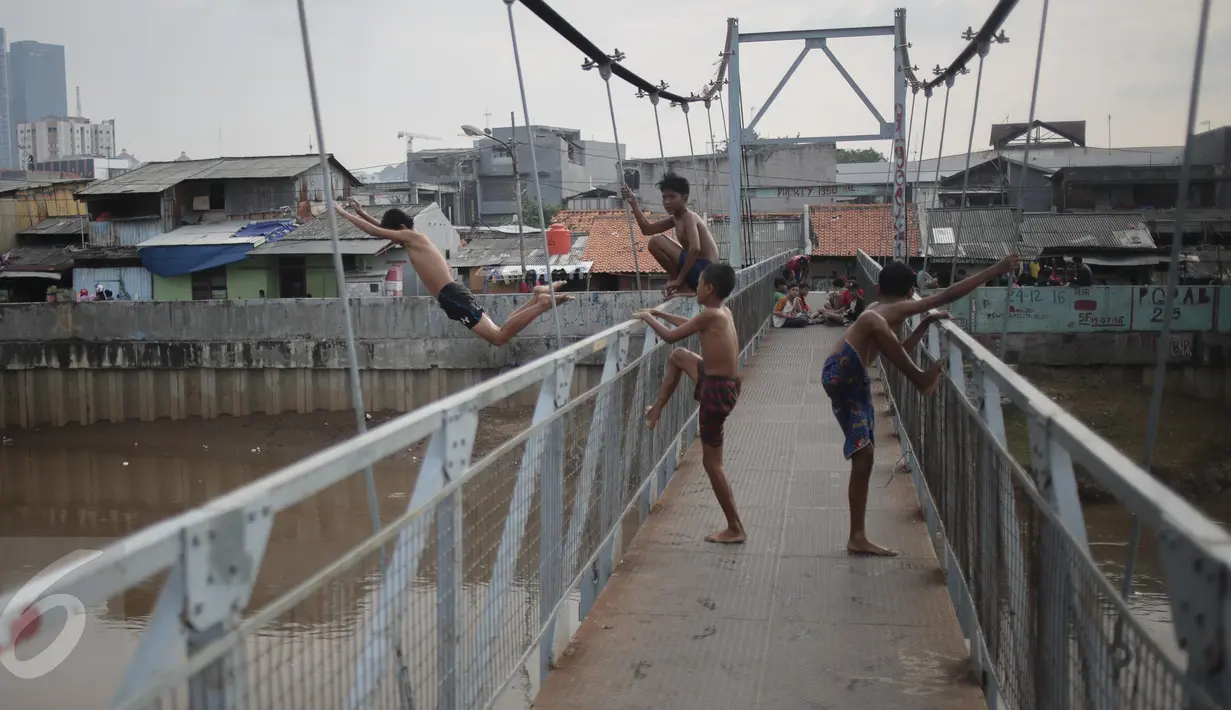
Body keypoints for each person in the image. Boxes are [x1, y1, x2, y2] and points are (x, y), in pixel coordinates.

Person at [823, 254, 1019, 556]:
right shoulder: (883, 312)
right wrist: (994, 270)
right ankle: (919, 379)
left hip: (849, 379)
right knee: (864, 454)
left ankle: (857, 536)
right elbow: (946, 295)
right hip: (844, 373)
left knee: (865, 457)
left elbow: (897, 351)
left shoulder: (880, 311)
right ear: (907, 294)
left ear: (877, 289)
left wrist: (926, 322)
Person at [335, 199, 573, 346]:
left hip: (451, 296)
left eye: (393, 233)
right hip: (453, 293)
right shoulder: (413, 237)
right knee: (498, 330)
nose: (392, 238)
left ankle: (542, 303)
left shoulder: (410, 236)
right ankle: (536, 297)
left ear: (401, 228)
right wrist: (360, 211)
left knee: (498, 338)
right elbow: (380, 228)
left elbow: (377, 232)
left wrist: (342, 213)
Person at [638, 263, 745, 544]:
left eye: (697, 284)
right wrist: (659, 313)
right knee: (680, 357)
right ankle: (656, 411)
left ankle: (735, 527)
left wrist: (647, 317)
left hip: (716, 390)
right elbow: (686, 328)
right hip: (724, 383)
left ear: (709, 289)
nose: (694, 288)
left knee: (713, 465)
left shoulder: (710, 315)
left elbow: (671, 335)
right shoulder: (722, 311)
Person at [621, 173, 720, 298]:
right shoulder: (676, 219)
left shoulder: (689, 217)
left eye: (672, 197)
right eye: (664, 197)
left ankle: (684, 286)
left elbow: (695, 248)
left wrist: (679, 279)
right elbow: (647, 229)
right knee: (654, 242)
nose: (667, 202)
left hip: (706, 272)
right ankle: (683, 285)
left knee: (656, 241)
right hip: (700, 272)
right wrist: (633, 202)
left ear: (684, 199)